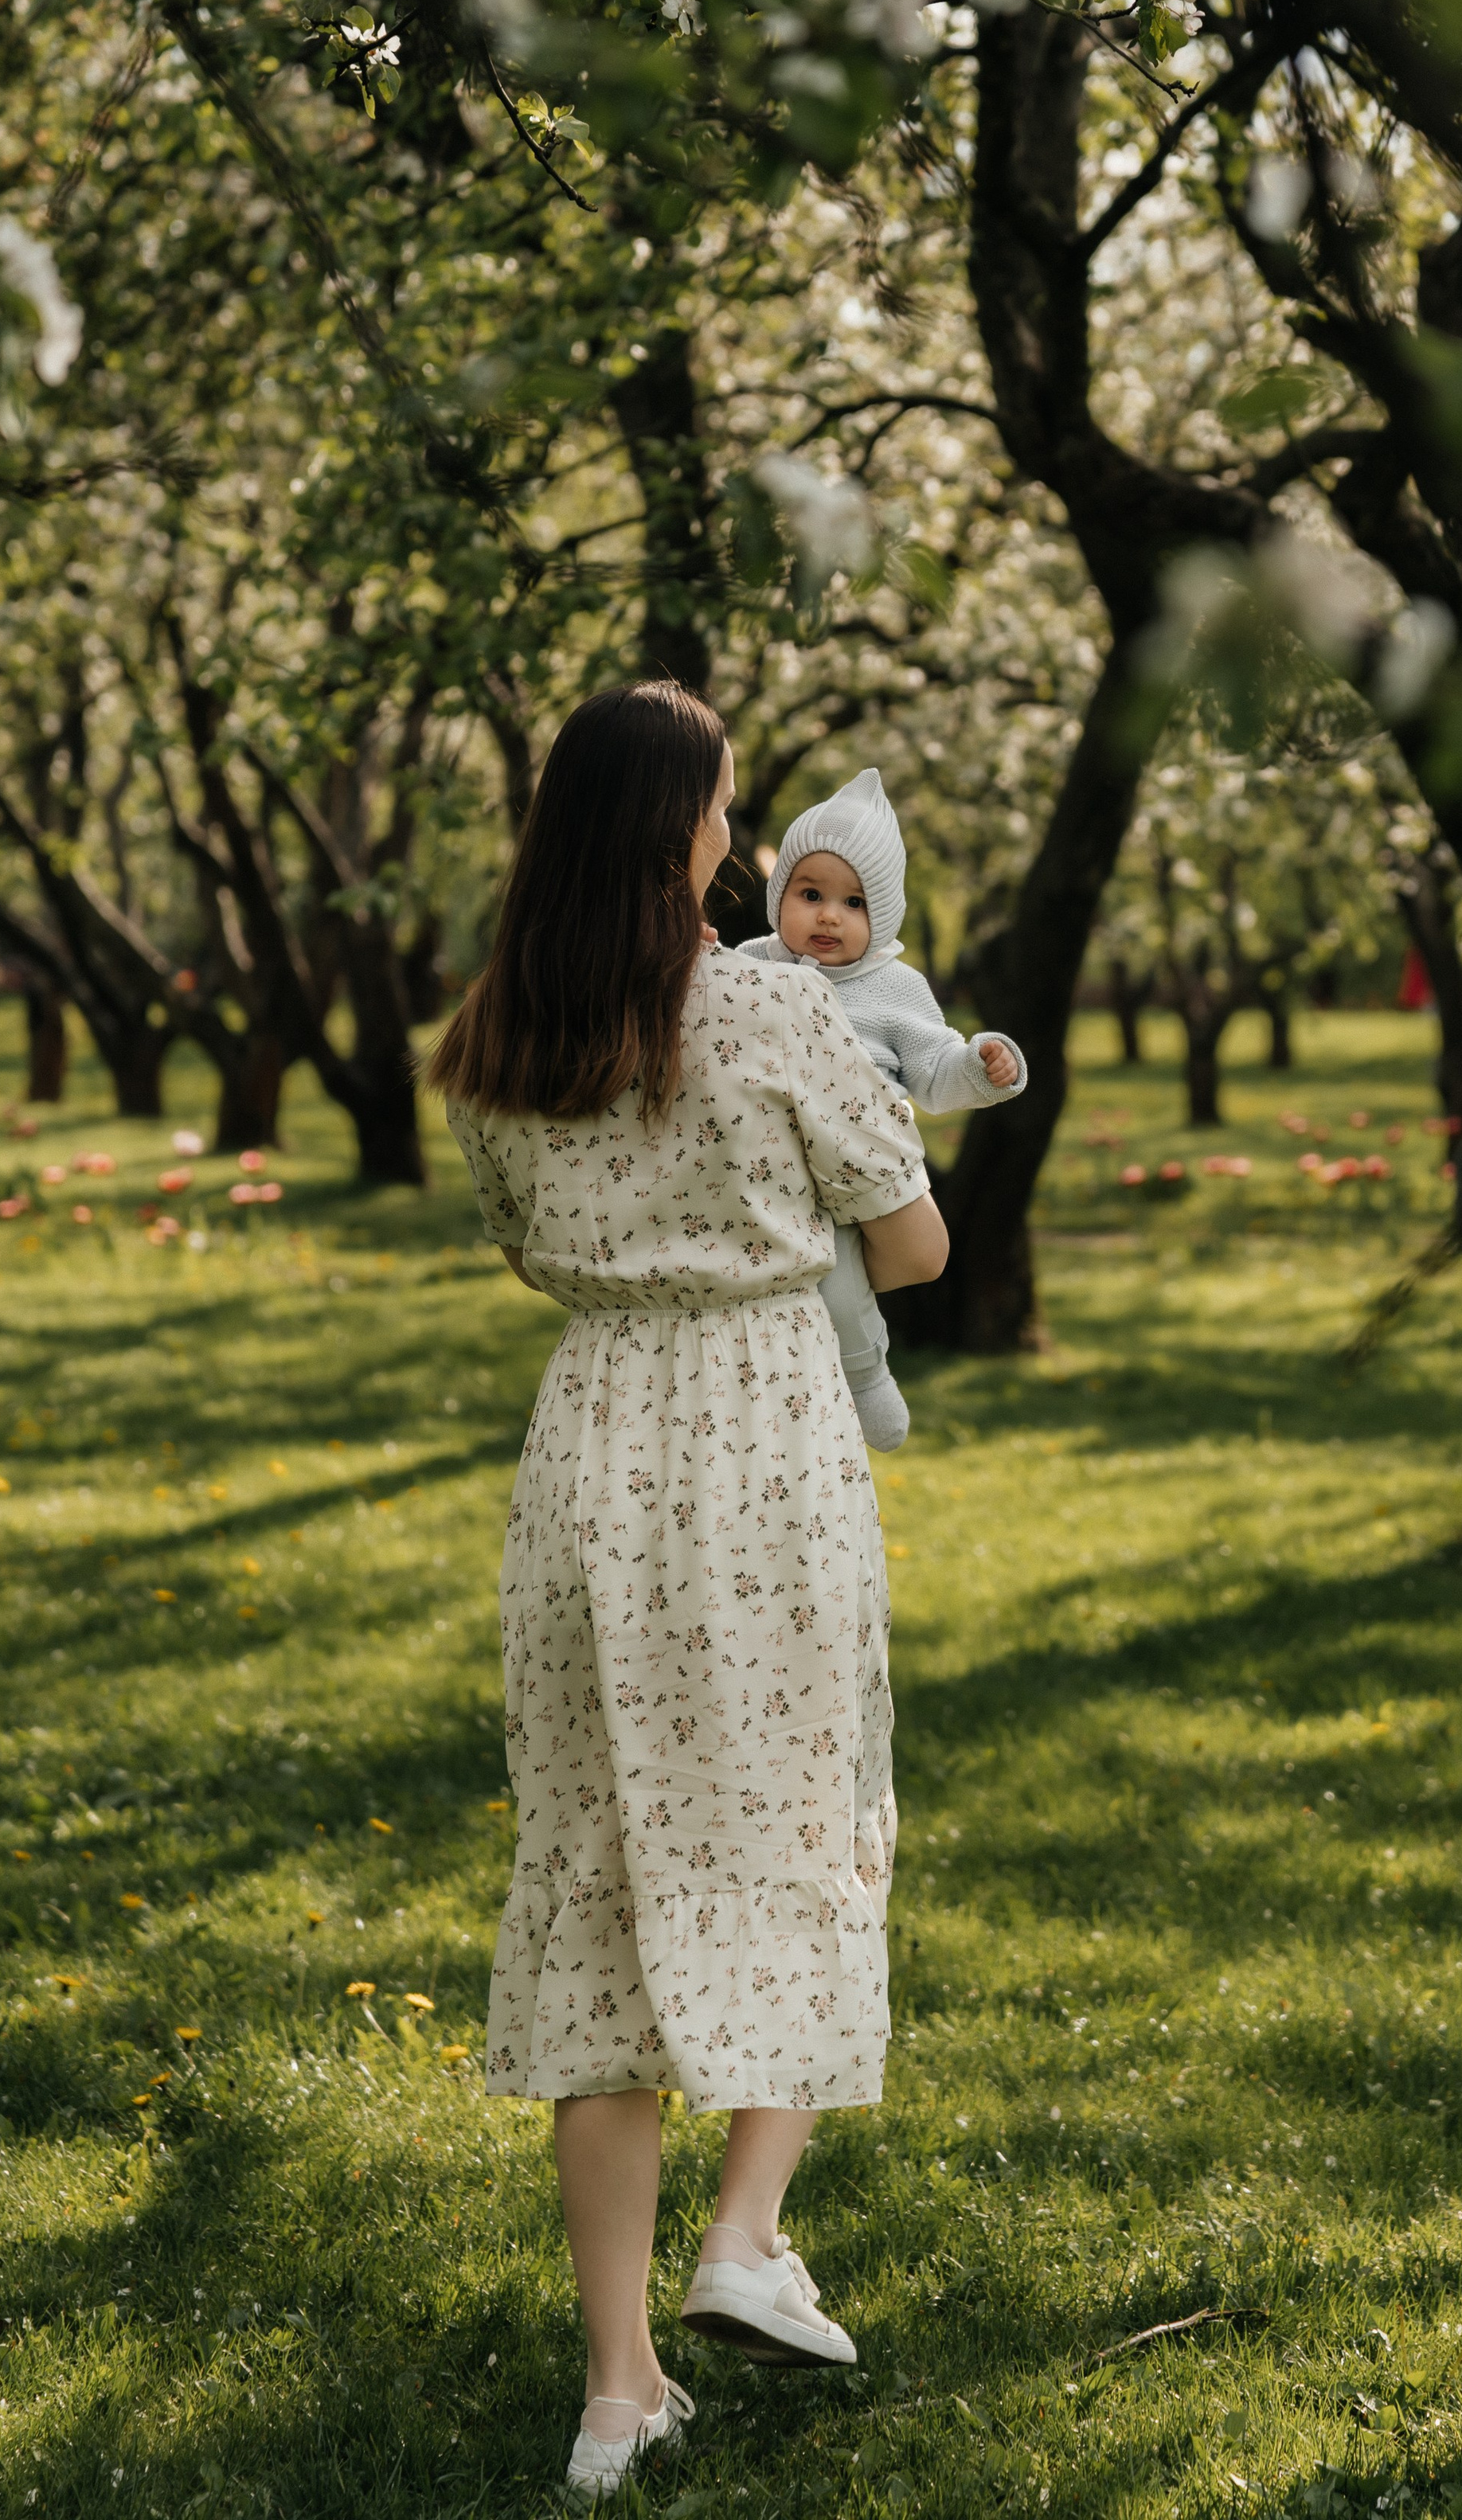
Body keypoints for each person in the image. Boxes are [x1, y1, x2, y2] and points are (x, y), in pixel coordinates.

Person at [428, 682, 948, 2502]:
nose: (739, 834)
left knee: (600, 1882)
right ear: (683, 832)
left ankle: (617, 2386)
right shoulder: (767, 1004)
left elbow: (521, 1248)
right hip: (756, 1441)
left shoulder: (496, 1034)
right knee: (797, 1822)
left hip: (587, 1458)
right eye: (727, 808)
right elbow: (910, 1236)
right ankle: (744, 2230)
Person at [741, 766, 1026, 1448]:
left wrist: (981, 1066)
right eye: (810, 894)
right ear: (780, 895)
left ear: (886, 915)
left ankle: (868, 1375)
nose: (830, 916)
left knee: (840, 1287)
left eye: (855, 903)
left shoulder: (895, 989)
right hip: (765, 1172)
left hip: (854, 1176)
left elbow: (934, 1068)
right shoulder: (751, 964)